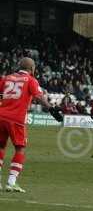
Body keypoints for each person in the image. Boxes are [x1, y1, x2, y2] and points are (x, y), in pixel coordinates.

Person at [0, 57, 63, 192]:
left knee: (0, 147)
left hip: (1, 116)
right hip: (16, 119)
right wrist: (51, 109)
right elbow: (39, 97)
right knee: (20, 148)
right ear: (32, 69)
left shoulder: (7, 78)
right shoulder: (31, 80)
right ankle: (11, 182)